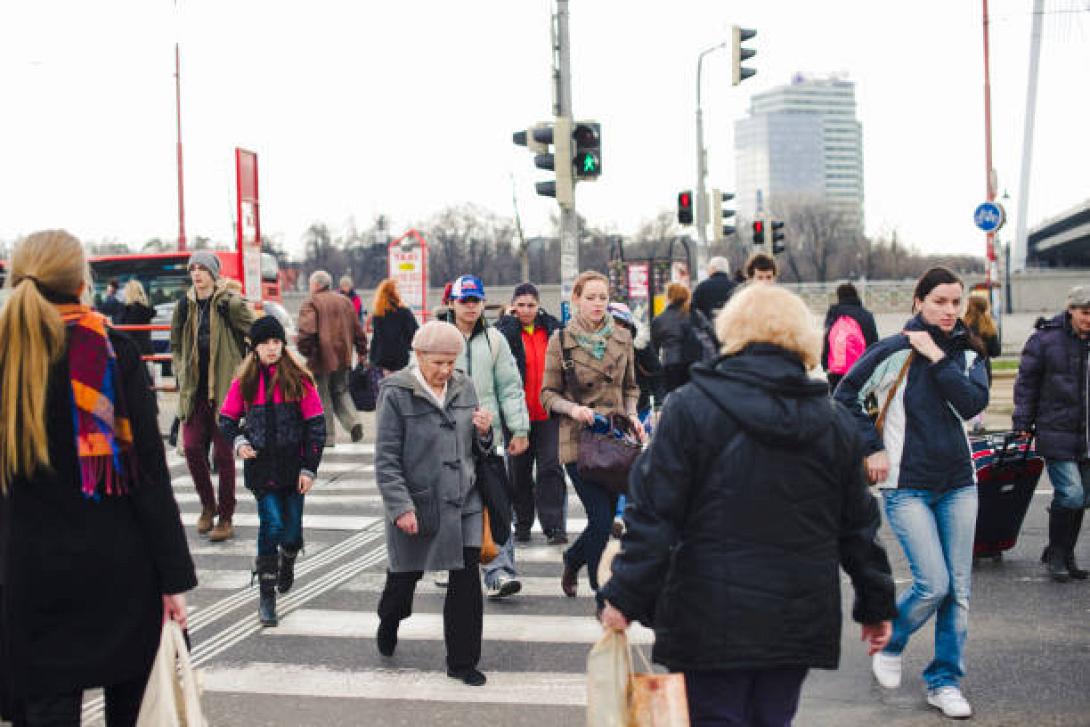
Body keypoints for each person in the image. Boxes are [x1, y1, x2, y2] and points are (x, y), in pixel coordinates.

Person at [598, 283, 896, 727]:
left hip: (707, 613)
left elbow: (654, 515)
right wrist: (875, 605)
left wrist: (623, 596)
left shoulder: (690, 409)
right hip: (795, 616)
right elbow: (858, 527)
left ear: (729, 330)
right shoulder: (832, 422)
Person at [0, 230, 196, 726]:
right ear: (81, 281)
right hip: (117, 570)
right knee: (133, 707)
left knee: (43, 708)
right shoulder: (110, 351)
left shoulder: (8, 354)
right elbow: (149, 476)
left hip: (25, 573)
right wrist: (173, 578)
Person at [834, 267, 989, 720]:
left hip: (959, 482)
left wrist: (937, 358)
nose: (949, 310)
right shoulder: (893, 350)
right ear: (919, 301)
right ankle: (893, 641)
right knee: (933, 583)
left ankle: (944, 682)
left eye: (956, 301)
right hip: (906, 484)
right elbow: (845, 396)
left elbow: (971, 404)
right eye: (939, 300)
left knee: (957, 591)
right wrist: (872, 447)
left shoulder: (966, 354)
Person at [374, 321, 495, 687]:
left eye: (451, 362)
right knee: (404, 577)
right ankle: (390, 618)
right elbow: (386, 459)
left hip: (465, 500)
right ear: (420, 356)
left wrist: (485, 433)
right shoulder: (395, 392)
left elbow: (480, 450)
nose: (446, 371)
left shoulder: (465, 385)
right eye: (438, 362)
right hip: (420, 503)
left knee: (466, 582)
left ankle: (462, 662)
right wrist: (401, 507)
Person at [540, 271, 644, 597]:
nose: (598, 304)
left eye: (603, 298)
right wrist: (573, 410)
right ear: (576, 301)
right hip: (579, 441)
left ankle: (573, 559)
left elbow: (630, 388)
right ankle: (602, 591)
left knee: (604, 516)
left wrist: (631, 415)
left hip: (615, 441)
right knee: (601, 517)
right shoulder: (560, 341)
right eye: (590, 298)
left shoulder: (623, 338)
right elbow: (547, 394)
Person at [219, 316, 326, 627]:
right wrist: (239, 442)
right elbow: (226, 421)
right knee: (272, 525)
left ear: (283, 344)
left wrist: (309, 468)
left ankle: (289, 558)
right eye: (265, 342)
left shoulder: (299, 381)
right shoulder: (245, 383)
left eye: (276, 342)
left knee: (291, 534)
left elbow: (316, 427)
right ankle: (267, 596)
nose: (271, 348)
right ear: (254, 347)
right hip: (262, 468)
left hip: (294, 469)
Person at [446, 275, 530, 599]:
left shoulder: (495, 340)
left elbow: (510, 388)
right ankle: (452, 562)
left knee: (497, 500)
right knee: (452, 504)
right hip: (447, 437)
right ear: (452, 302)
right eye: (464, 300)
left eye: (475, 300)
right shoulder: (438, 337)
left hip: (488, 435)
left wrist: (519, 429)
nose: (470, 306)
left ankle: (501, 570)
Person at [170, 250, 255, 542]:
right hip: (194, 393)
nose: (196, 274)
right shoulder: (184, 306)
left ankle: (227, 516)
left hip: (224, 393)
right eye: (192, 269)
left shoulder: (228, 304)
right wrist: (180, 370)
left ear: (213, 274)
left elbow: (258, 333)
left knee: (222, 455)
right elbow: (176, 343)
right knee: (192, 450)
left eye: (202, 269)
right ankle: (208, 505)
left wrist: (245, 371)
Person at [1013, 284, 1090, 583]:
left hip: (1086, 433)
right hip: (1056, 429)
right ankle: (1057, 554)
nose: (1089, 319)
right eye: (1085, 313)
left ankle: (1065, 554)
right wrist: (1022, 423)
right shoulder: (1045, 340)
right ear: (1070, 310)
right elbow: (1026, 383)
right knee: (1070, 494)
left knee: (1082, 497)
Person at [494, 283, 566, 544]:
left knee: (550, 469)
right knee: (518, 472)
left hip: (548, 412)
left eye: (531, 305)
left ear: (539, 305)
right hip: (517, 415)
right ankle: (522, 524)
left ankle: (554, 526)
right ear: (513, 305)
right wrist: (510, 324)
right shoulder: (503, 331)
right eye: (521, 305)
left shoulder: (553, 329)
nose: (526, 310)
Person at [297, 270, 368, 446]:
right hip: (343, 356)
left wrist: (306, 351)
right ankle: (354, 422)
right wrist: (362, 352)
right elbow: (358, 330)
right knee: (341, 391)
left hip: (320, 357)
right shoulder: (345, 301)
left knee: (323, 395)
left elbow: (307, 332)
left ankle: (328, 436)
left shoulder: (311, 302)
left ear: (316, 285)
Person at [651, 283, 716, 395]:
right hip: (695, 362)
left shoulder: (660, 320)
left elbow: (654, 349)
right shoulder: (696, 315)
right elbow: (712, 335)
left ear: (668, 297)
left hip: (671, 365)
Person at [822, 282, 880, 390]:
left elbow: (827, 340)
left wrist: (825, 364)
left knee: (837, 401)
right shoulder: (866, 315)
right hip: (861, 367)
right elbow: (874, 343)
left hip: (837, 370)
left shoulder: (834, 314)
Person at [368, 278, 419, 375]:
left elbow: (376, 338)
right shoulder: (404, 312)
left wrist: (372, 358)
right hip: (400, 358)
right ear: (395, 294)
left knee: (384, 386)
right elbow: (415, 333)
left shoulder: (378, 314)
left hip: (381, 359)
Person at [119, 278, 156, 359]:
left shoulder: (130, 311)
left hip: (132, 352)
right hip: (146, 349)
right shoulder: (146, 309)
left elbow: (126, 332)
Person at [691, 255, 737, 321]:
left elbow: (693, 310)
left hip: (708, 328)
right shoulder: (737, 287)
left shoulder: (702, 287)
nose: (707, 270)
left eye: (709, 268)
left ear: (713, 268)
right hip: (730, 327)